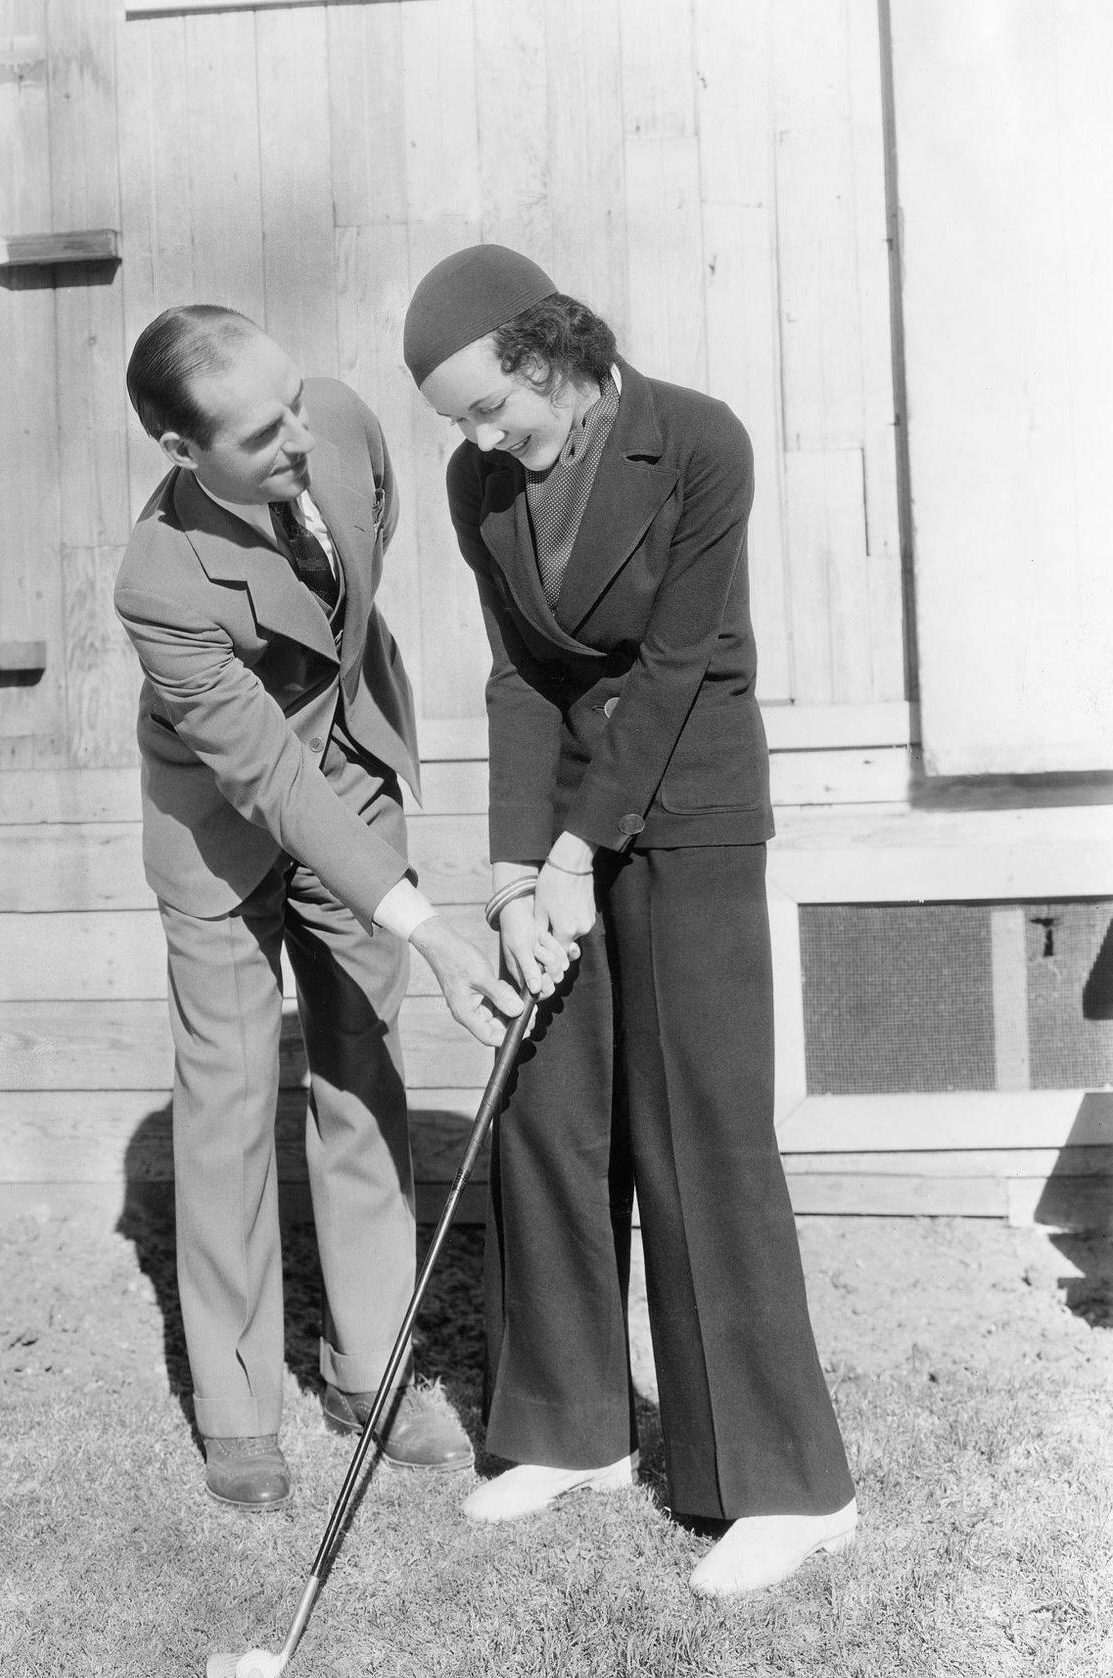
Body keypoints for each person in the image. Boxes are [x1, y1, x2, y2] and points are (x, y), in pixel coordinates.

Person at [401, 246, 857, 1596]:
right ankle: (570, 1428)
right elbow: (519, 679)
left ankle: (787, 1483)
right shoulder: (478, 484)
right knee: (549, 1100)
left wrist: (571, 859)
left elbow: (668, 674)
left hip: (693, 802)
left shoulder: (699, 441)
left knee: (698, 1124)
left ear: (551, 352)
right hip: (559, 825)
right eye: (462, 422)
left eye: (494, 406)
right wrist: (507, 874)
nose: (483, 439)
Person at [115, 305, 524, 1513]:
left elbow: (358, 566)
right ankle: (237, 1407)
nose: (297, 439)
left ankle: (372, 1369)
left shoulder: (334, 424)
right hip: (225, 819)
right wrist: (432, 926)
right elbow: (267, 780)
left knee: (362, 1073)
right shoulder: (160, 580)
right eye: (257, 433)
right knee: (231, 1101)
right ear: (181, 452)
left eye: (293, 404)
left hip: (347, 764)